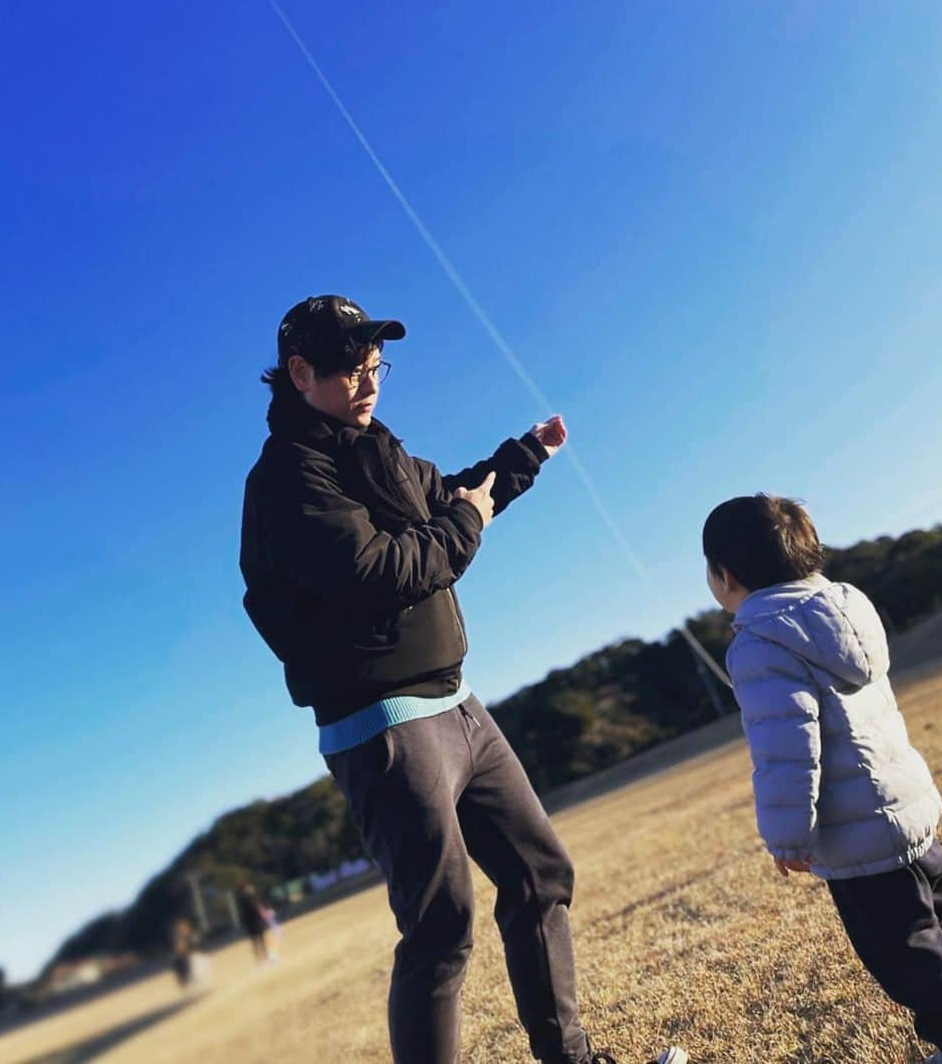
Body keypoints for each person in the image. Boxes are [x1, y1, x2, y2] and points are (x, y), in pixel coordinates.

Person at [240, 295, 687, 1064]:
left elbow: (450, 496)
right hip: (385, 725)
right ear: (300, 371)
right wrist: (467, 521)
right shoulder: (289, 476)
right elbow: (381, 570)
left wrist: (523, 459)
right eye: (352, 367)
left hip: (459, 704)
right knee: (441, 927)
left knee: (541, 873)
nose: (370, 381)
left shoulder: (377, 450)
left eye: (377, 364)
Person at [702, 493, 942, 1064]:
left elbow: (786, 748)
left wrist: (788, 835)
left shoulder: (758, 643)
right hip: (909, 808)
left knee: (905, 948)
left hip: (860, 835)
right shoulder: (844, 610)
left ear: (724, 575)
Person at [236, 883, 273, 962]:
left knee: (255, 941)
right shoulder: (249, 897)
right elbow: (255, 908)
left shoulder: (241, 899)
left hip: (249, 922)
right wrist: (263, 914)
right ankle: (265, 956)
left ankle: (260, 958)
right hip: (254, 921)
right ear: (245, 889)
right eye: (249, 887)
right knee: (260, 939)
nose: (251, 888)